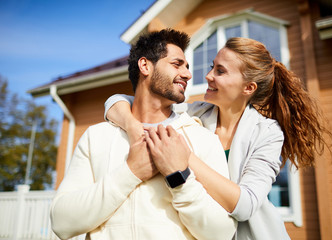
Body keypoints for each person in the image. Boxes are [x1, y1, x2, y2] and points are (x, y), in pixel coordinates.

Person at [105, 37, 332, 240]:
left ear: (248, 87)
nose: (208, 76)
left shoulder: (267, 133)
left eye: (220, 71)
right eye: (211, 67)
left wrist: (185, 158)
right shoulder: (196, 114)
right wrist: (132, 126)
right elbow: (118, 101)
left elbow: (245, 205)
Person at [50, 29, 237, 240]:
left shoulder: (203, 139)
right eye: (177, 64)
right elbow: (61, 222)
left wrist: (179, 178)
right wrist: (131, 172)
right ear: (145, 65)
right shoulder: (96, 137)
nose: (187, 74)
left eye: (187, 67)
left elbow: (222, 234)